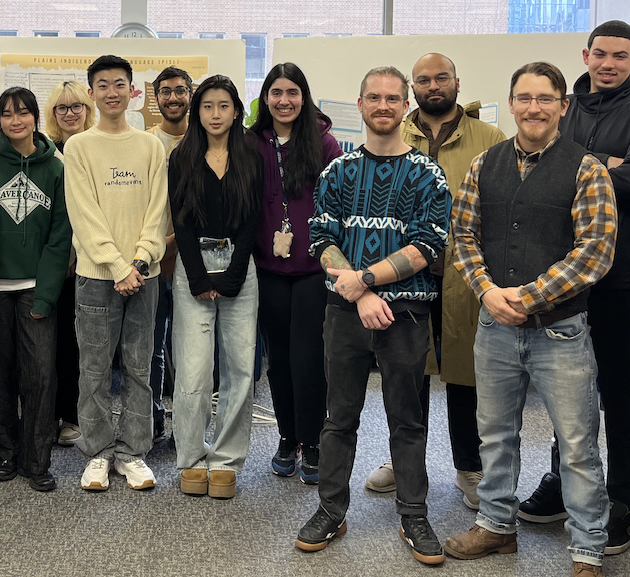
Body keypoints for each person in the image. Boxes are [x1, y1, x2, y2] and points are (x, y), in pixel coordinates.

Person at [443, 61, 617, 577]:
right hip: (494, 327)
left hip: (560, 333)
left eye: (545, 98)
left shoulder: (587, 169)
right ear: (512, 102)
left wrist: (528, 296)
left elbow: (595, 252)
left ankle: (587, 549)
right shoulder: (484, 163)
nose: (534, 107)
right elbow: (464, 235)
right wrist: (487, 291)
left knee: (578, 445)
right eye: (524, 97)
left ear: (563, 106)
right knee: (494, 435)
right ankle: (497, 527)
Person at [521, 20, 630, 556]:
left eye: (621, 56)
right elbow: (536, 169)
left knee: (621, 392)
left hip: (626, 277)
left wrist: (580, 169)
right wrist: (607, 165)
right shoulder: (567, 107)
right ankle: (564, 484)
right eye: (600, 54)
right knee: (567, 391)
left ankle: (621, 502)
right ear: (586, 54)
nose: (609, 64)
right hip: (566, 275)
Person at [296, 66, 451, 565]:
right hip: (345, 311)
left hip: (407, 313)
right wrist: (360, 292)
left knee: (408, 420)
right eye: (374, 98)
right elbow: (322, 241)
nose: (383, 106)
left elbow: (428, 245)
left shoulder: (428, 175)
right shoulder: (337, 171)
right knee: (338, 417)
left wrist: (365, 281)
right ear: (360, 105)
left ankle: (414, 514)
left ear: (405, 106)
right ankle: (331, 510)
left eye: (392, 98)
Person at [363, 54, 507, 507]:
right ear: (413, 90)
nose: (433, 86)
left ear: (457, 82)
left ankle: (469, 465)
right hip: (403, 277)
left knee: (467, 376)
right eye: (423, 80)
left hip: (465, 277)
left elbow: (502, 208)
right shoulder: (393, 134)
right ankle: (404, 460)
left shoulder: (489, 138)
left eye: (441, 77)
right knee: (406, 374)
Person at [64, 54, 167, 492]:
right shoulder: (79, 147)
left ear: (133, 91)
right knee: (95, 371)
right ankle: (99, 453)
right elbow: (84, 216)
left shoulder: (150, 145)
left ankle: (133, 453)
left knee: (141, 368)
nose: (111, 91)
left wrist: (139, 262)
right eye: (102, 84)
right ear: (92, 93)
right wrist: (117, 265)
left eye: (119, 84)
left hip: (145, 276)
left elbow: (158, 212)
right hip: (95, 275)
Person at [167, 75, 261, 500]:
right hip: (193, 266)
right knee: (192, 368)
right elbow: (181, 222)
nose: (216, 114)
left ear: (236, 111)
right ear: (196, 111)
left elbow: (251, 222)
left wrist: (235, 273)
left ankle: (225, 461)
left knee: (240, 369)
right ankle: (190, 457)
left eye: (224, 106)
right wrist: (200, 277)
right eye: (207, 106)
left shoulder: (251, 157)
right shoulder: (181, 157)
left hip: (241, 266)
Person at [249, 62, 343, 484]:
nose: (284, 101)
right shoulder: (250, 143)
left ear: (304, 98)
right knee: (279, 361)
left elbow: (338, 206)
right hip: (267, 268)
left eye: (292, 92)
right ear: (265, 98)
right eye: (276, 92)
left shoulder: (324, 144)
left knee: (308, 359)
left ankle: (314, 440)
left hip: (312, 268)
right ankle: (288, 438)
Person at [0, 87, 72, 493]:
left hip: (37, 286)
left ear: (36, 116)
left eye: (23, 113)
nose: (15, 120)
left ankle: (37, 459)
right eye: (6, 114)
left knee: (40, 374)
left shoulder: (56, 167)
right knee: (0, 373)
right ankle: (5, 452)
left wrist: (47, 293)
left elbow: (60, 235)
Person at [42, 80, 95, 447]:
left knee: (82, 345)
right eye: (63, 108)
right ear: (53, 114)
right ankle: (50, 414)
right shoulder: (46, 152)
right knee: (53, 343)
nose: (71, 113)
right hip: (53, 263)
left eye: (77, 106)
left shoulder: (96, 148)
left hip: (88, 261)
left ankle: (76, 417)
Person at [148, 66, 194, 443]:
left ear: (190, 95)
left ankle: (188, 426)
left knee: (189, 348)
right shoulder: (145, 142)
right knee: (151, 345)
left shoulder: (204, 141)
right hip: (151, 257)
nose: (173, 97)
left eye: (180, 90)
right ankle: (152, 417)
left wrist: (174, 243)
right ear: (156, 97)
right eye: (166, 91)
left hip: (191, 258)